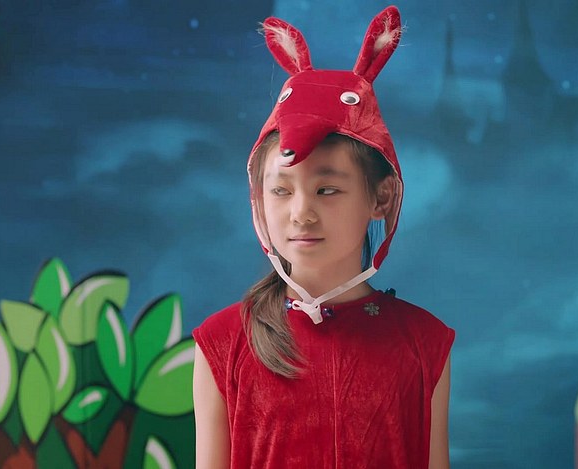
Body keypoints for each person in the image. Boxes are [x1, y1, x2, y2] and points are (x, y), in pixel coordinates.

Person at [192, 6, 455, 468]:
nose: (302, 214)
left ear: (381, 197)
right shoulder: (222, 341)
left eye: (327, 190)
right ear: (258, 199)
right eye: (281, 190)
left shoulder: (424, 342)